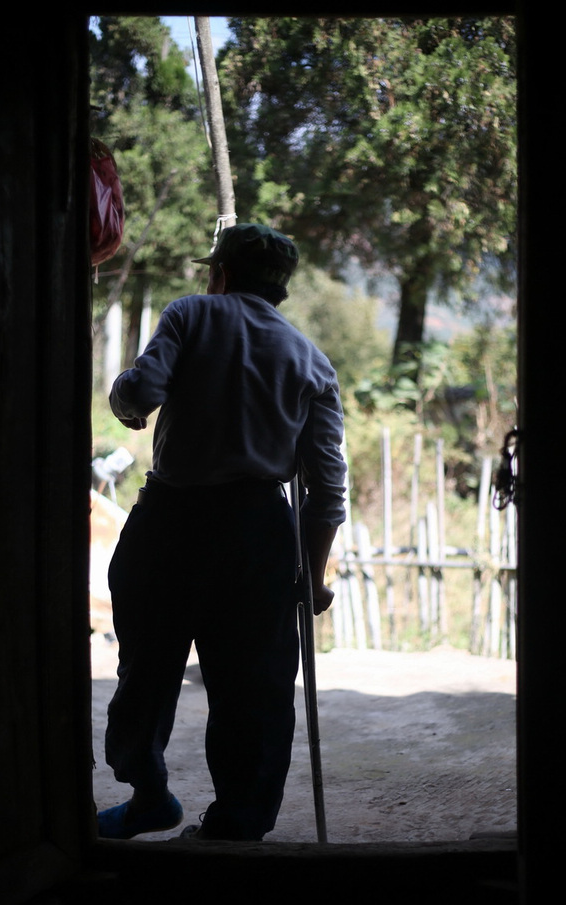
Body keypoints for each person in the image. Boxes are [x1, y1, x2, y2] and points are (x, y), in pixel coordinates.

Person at [97, 223, 347, 842]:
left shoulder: (189, 315)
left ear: (221, 273)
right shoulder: (309, 356)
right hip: (259, 530)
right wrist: (311, 579)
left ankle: (150, 794)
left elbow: (142, 391)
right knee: (254, 688)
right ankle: (237, 828)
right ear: (280, 288)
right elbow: (328, 487)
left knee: (146, 669)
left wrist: (125, 405)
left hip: (172, 519)